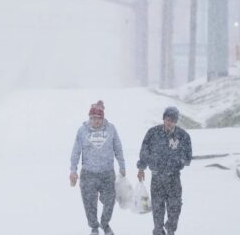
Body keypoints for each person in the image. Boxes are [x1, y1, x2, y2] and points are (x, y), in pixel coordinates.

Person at [70, 100, 126, 235]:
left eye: (99, 118)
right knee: (89, 203)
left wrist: (122, 165)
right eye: (93, 118)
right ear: (89, 118)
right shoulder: (82, 131)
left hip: (107, 173)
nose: (96, 121)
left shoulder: (111, 129)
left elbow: (118, 148)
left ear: (103, 118)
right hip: (88, 173)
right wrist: (73, 170)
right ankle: (94, 227)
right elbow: (76, 151)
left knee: (109, 201)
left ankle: (105, 224)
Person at [136, 106, 193, 235]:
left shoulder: (183, 135)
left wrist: (177, 161)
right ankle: (158, 231)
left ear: (176, 121)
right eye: (168, 119)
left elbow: (188, 158)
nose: (170, 122)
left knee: (175, 208)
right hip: (157, 178)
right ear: (164, 119)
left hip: (174, 178)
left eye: (173, 120)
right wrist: (141, 168)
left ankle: (170, 229)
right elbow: (144, 152)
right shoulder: (152, 133)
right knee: (157, 209)